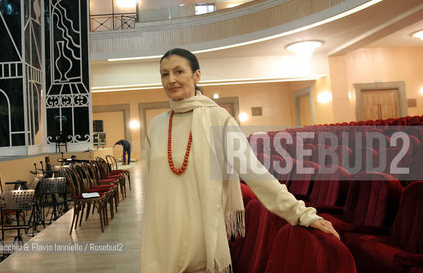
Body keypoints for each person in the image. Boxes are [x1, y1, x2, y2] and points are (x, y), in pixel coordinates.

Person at [140, 48, 339, 273]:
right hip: (159, 237)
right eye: (164, 74)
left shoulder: (218, 119)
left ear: (197, 75)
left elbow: (255, 172)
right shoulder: (156, 126)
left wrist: (301, 213)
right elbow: (153, 185)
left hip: (198, 237)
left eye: (178, 71)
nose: (171, 79)